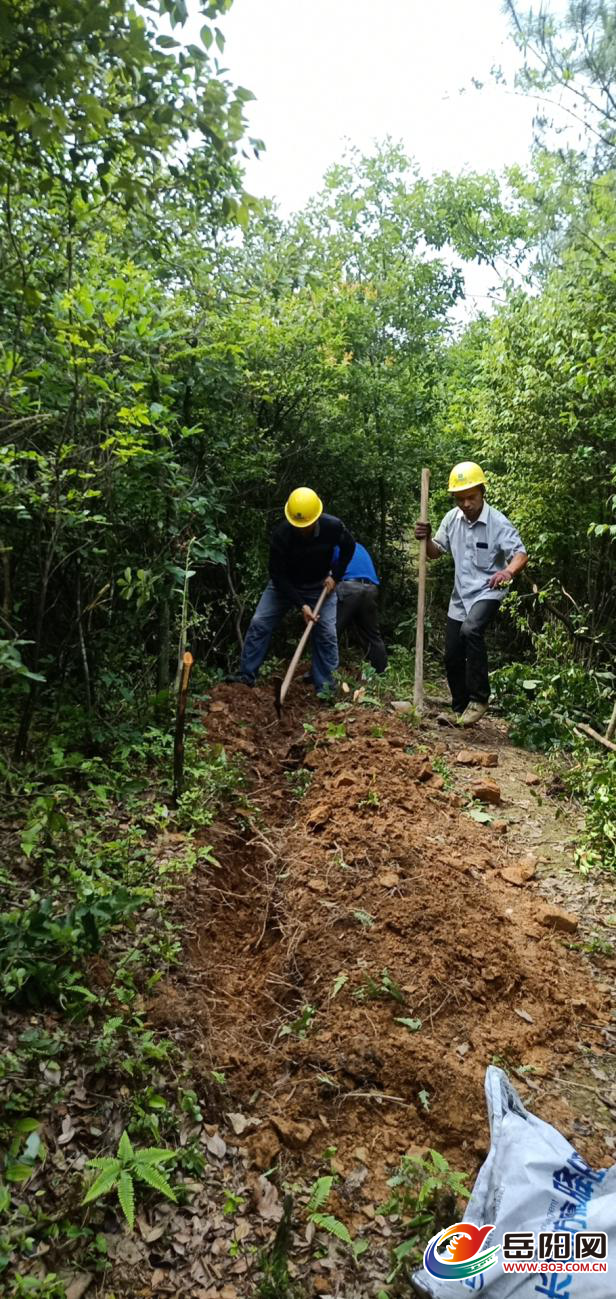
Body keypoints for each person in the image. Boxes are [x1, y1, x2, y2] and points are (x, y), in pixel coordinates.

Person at [415, 461, 528, 726]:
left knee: (471, 631)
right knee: (452, 654)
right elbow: (434, 553)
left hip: (488, 591)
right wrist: (426, 538)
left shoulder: (497, 522)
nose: (466, 503)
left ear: (482, 492)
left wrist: (507, 572)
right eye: (460, 499)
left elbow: (520, 554)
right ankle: (460, 709)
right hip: (460, 596)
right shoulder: (451, 520)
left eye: (471, 497)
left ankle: (479, 698)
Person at [233, 487, 355, 694]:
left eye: (306, 526)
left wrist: (336, 576)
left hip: (320, 585)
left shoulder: (332, 527)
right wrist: (302, 604)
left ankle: (326, 689)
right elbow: (277, 575)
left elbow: (349, 548)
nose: (302, 530)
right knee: (259, 622)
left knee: (325, 633)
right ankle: (246, 677)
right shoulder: (282, 535)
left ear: (316, 517)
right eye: (298, 526)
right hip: (285, 586)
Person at [335, 541, 388, 673]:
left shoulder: (333, 545)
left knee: (330, 633)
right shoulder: (359, 547)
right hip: (370, 588)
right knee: (372, 636)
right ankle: (380, 674)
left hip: (348, 586)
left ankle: (323, 676)